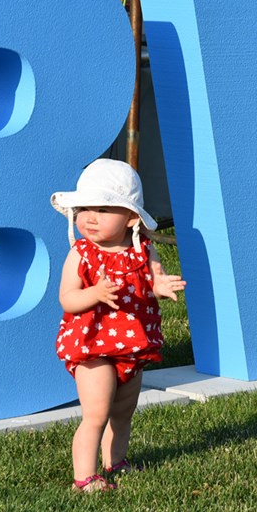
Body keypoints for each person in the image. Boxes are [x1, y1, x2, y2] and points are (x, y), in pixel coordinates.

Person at [51, 158, 186, 493]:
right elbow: (67, 299)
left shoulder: (143, 250)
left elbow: (150, 281)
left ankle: (116, 462)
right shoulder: (82, 254)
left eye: (104, 209)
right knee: (96, 412)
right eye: (84, 209)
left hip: (133, 344)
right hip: (93, 345)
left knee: (124, 410)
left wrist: (160, 286)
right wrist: (94, 293)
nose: (90, 218)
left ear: (131, 218)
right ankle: (85, 477)